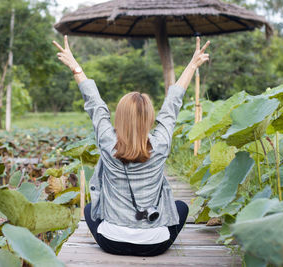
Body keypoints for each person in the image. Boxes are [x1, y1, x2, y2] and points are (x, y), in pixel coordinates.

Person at [53, 35, 210, 256]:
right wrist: (192, 65)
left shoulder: (108, 142)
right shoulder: (160, 143)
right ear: (149, 118)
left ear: (120, 117)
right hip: (155, 245)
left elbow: (95, 104)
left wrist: (76, 67)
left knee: (89, 210)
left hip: (111, 242)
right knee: (181, 207)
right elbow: (172, 103)